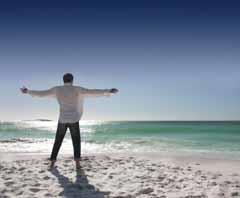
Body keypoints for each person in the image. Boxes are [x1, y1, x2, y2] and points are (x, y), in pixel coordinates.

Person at [20, 73, 118, 169]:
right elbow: (93, 92)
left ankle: (52, 164)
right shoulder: (78, 89)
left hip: (62, 119)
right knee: (76, 141)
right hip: (74, 119)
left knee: (58, 141)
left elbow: (41, 94)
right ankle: (78, 165)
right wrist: (108, 91)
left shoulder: (57, 89)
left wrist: (28, 91)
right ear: (72, 80)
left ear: (63, 80)